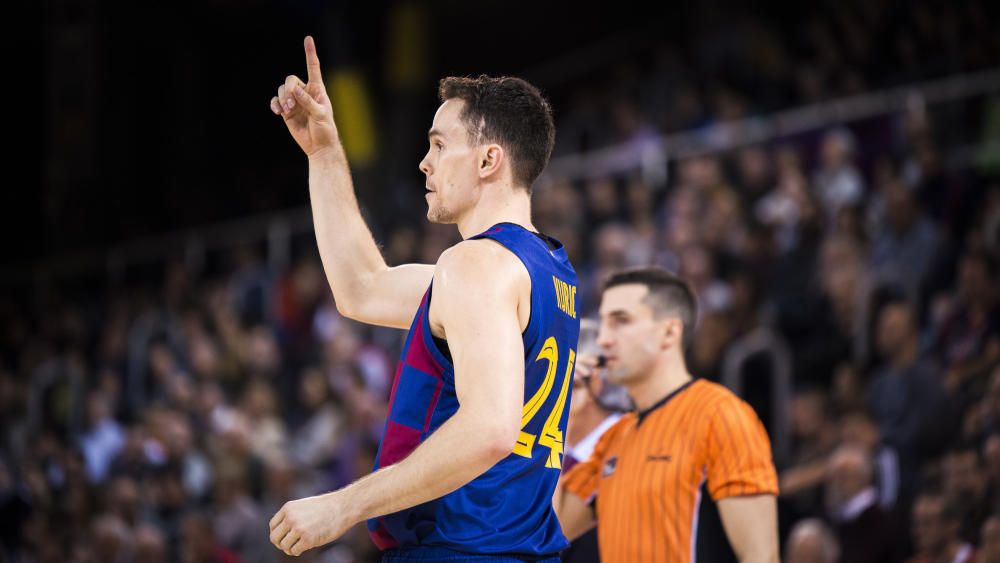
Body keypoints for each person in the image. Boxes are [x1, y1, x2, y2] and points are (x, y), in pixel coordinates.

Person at [267, 37, 579, 562]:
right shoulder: (547, 270)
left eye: (438, 145)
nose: (423, 163)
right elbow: (361, 287)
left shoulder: (476, 264)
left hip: (461, 549)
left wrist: (344, 507)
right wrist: (323, 151)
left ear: (488, 160)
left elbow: (490, 429)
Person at [554, 267, 779, 562]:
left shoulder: (722, 416)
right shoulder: (613, 439)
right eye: (604, 322)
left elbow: (761, 557)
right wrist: (559, 411)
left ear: (670, 331)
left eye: (621, 321)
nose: (605, 339)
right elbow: (548, 529)